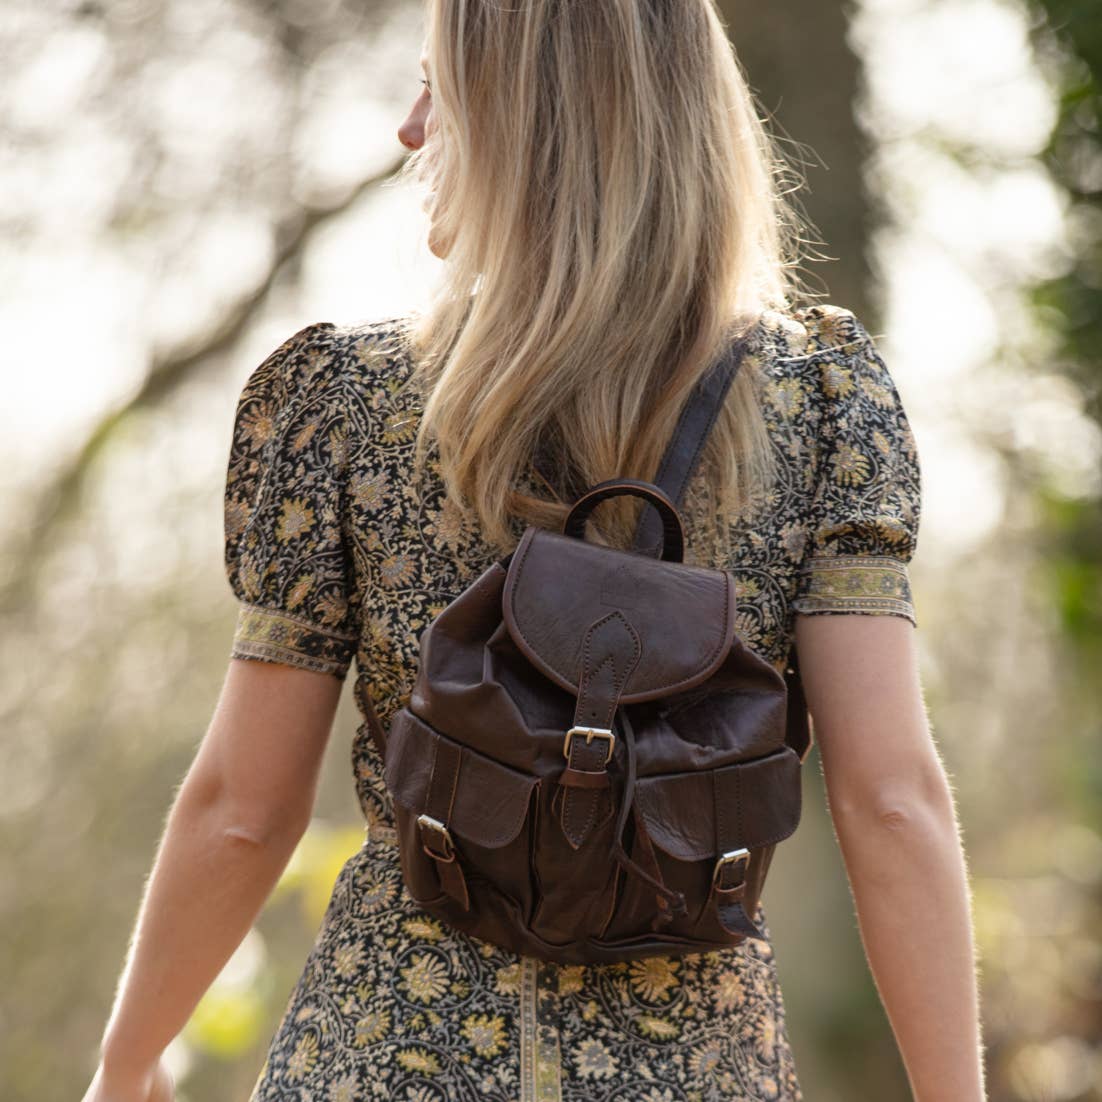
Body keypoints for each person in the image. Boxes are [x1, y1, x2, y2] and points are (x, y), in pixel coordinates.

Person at [82, 2, 986, 1100]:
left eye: (438, 89)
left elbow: (242, 809)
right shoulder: (823, 409)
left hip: (385, 1062)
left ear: (521, 119)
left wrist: (127, 1065)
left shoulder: (347, 404)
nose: (410, 131)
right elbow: (891, 799)